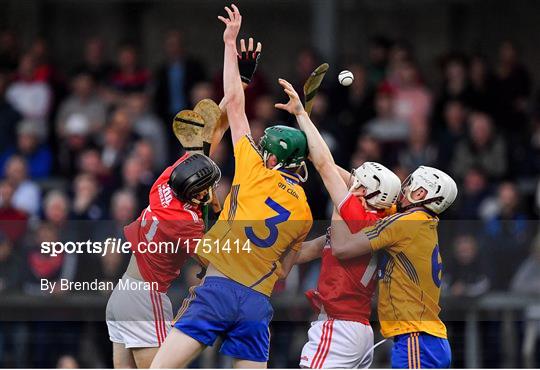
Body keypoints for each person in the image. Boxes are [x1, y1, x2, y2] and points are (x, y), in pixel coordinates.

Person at [151, 5, 312, 368]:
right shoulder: (304, 211)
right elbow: (285, 269)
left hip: (218, 287)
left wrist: (229, 44)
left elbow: (235, 107)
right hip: (257, 302)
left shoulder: (254, 168)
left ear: (271, 158)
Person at [273, 80, 456, 368]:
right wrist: (304, 145)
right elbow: (333, 171)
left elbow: (326, 170)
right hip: (368, 330)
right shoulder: (394, 218)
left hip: (374, 331)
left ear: (423, 193)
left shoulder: (368, 220)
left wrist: (302, 115)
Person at [105, 151, 221, 369]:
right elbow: (214, 260)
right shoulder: (185, 222)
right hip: (145, 299)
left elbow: (191, 156)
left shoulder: (164, 184)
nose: (212, 190)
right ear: (196, 192)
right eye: (209, 187)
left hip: (122, 294)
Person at [296, 162, 401, 369]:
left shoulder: (360, 222)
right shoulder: (373, 221)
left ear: (364, 191)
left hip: (339, 325)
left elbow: (325, 167)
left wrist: (308, 134)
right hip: (357, 327)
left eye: (359, 183)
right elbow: (306, 251)